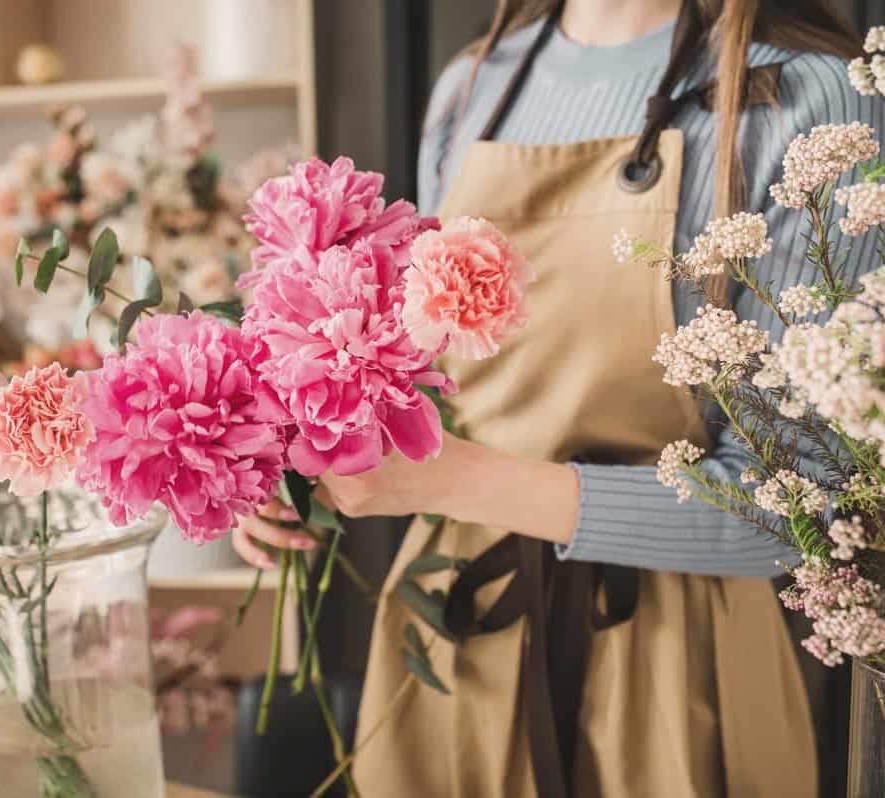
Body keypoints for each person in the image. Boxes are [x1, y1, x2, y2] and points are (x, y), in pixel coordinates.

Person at [233, 0, 885, 795]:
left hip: (676, 671)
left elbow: (805, 510)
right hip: (451, 644)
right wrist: (292, 456)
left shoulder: (812, 95)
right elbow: (419, 378)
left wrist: (447, 480)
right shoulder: (474, 86)